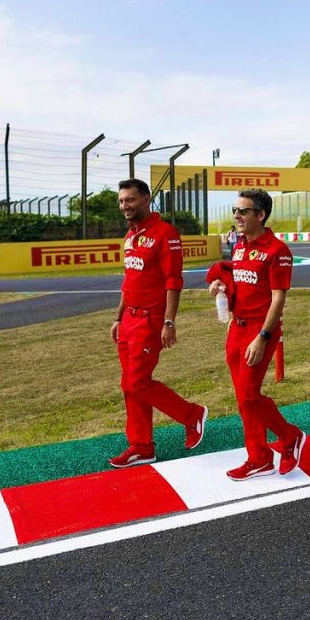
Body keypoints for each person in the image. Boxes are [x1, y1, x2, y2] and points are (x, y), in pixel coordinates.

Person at [207, 188, 306, 480]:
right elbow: (241, 283)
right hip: (236, 327)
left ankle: (290, 437)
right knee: (242, 399)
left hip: (260, 331)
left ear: (260, 215)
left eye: (243, 211)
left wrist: (262, 337)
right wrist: (222, 289)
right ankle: (259, 457)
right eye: (235, 211)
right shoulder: (239, 246)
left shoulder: (277, 251)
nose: (236, 216)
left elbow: (278, 299)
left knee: (250, 396)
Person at [109, 179, 208, 468]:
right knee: (129, 385)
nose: (124, 206)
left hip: (152, 319)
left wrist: (169, 321)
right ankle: (141, 446)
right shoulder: (130, 236)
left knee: (138, 381)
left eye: (130, 200)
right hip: (128, 319)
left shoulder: (166, 233)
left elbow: (173, 281)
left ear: (146, 199)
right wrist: (118, 317)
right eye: (121, 201)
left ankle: (192, 415)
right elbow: (129, 282)